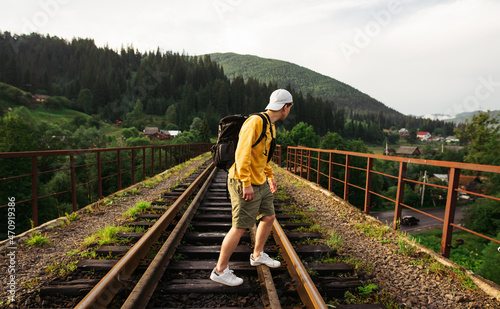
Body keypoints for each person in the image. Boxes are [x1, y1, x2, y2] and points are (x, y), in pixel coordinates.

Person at [210, 89, 293, 286]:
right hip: (243, 180)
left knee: (269, 216)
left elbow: (262, 156)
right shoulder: (255, 122)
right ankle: (219, 270)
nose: (288, 111)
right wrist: (246, 183)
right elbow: (242, 153)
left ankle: (257, 255)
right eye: (289, 108)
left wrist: (270, 177)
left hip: (260, 180)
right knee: (240, 227)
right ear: (285, 107)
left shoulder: (270, 127)